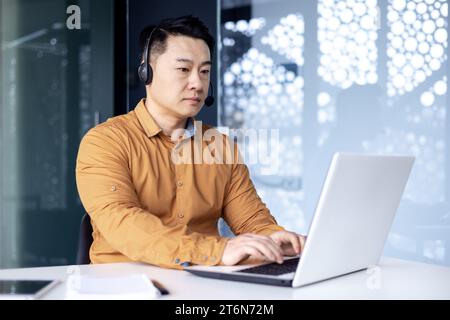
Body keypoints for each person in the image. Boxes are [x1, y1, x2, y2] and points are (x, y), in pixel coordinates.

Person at [75, 15, 305, 269]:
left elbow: (252, 220)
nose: (197, 83)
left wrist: (274, 238)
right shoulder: (104, 142)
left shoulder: (220, 147)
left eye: (204, 71)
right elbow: (124, 223)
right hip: (125, 286)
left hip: (202, 284)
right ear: (146, 71)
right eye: (184, 69)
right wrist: (216, 250)